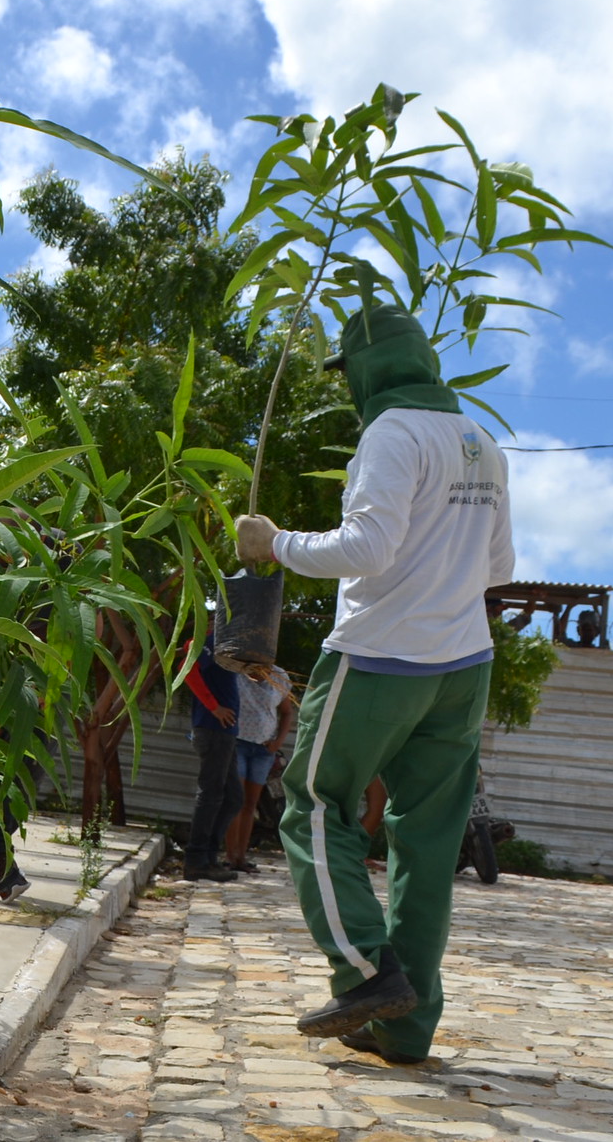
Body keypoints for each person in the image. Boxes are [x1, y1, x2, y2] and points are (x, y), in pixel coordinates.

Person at [236, 303, 513, 1067]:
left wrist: (274, 542)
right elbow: (499, 569)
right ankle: (404, 1027)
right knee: (426, 841)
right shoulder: (481, 442)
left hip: (381, 656)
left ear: (367, 368)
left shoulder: (391, 433)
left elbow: (368, 547)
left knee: (314, 801)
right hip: (464, 666)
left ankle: (364, 970)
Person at [180, 637, 244, 882]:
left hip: (226, 731)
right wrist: (213, 706)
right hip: (212, 727)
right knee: (212, 794)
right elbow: (186, 671)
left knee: (233, 797)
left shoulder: (230, 646)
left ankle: (208, 857)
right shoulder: (207, 642)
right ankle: (196, 860)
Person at [224, 663, 297, 871]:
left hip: (263, 750)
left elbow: (287, 713)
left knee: (250, 803)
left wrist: (278, 742)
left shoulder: (279, 675)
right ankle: (230, 855)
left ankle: (241, 856)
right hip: (238, 742)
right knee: (235, 799)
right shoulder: (237, 671)